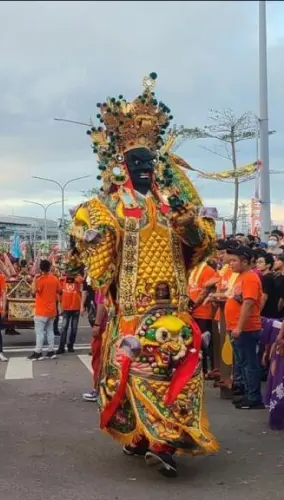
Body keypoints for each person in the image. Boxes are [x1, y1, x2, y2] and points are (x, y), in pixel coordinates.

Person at [69, 73, 218, 477]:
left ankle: (164, 440)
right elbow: (89, 245)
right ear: (122, 165)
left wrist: (188, 226)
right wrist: (92, 234)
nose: (145, 170)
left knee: (177, 373)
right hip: (133, 308)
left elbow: (203, 243)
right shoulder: (110, 206)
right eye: (136, 163)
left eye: (150, 163)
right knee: (139, 373)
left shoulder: (173, 203)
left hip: (174, 306)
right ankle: (144, 436)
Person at [226, 246, 265, 410]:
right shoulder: (241, 277)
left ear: (246, 261)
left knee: (249, 364)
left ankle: (254, 398)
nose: (230, 264)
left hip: (246, 329)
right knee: (243, 363)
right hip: (237, 327)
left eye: (234, 260)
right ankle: (248, 394)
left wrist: (239, 327)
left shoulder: (250, 277)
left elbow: (248, 303)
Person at [28, 260, 62, 360]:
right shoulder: (54, 279)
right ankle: (51, 351)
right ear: (49, 267)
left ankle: (38, 351)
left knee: (39, 332)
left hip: (41, 310)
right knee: (50, 331)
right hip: (52, 310)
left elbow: (34, 292)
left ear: (40, 268)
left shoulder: (39, 280)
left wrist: (34, 279)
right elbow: (60, 291)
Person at [188, 261, 217, 374]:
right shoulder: (192, 269)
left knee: (205, 344)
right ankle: (200, 370)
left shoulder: (208, 270)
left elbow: (205, 291)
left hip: (203, 313)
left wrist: (193, 305)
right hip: (192, 313)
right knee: (195, 343)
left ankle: (207, 370)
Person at [57, 270, 83, 354]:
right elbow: (59, 291)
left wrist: (75, 276)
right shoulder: (62, 280)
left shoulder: (78, 279)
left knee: (74, 329)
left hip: (76, 307)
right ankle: (61, 347)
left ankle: (70, 345)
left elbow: (80, 280)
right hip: (66, 308)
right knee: (64, 328)